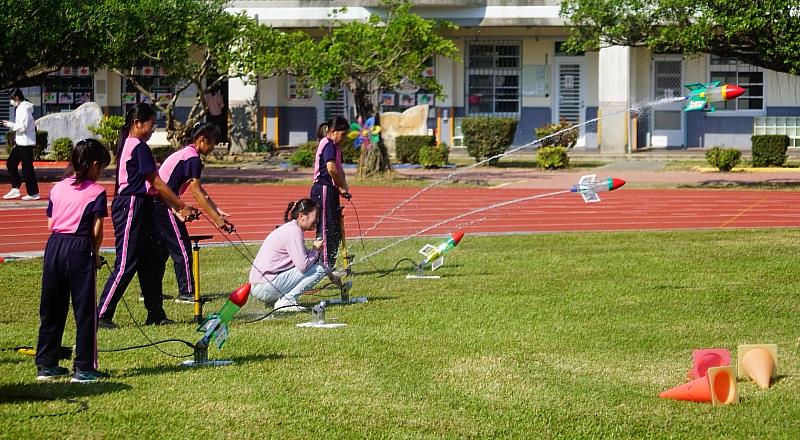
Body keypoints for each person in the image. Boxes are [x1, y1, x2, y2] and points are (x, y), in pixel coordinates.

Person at [97, 103, 196, 329]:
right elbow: (157, 183)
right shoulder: (137, 146)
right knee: (126, 261)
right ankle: (101, 313)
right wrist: (180, 205)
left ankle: (155, 313)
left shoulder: (133, 145)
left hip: (144, 204)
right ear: (137, 124)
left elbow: (154, 187)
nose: (153, 129)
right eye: (152, 124)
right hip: (132, 204)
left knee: (150, 262)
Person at [35, 139, 111, 383]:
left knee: (52, 308)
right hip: (80, 247)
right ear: (94, 165)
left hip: (55, 245)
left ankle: (46, 364)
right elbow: (97, 229)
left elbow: (50, 222)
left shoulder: (57, 188)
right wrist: (96, 254)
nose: (101, 174)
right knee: (85, 311)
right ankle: (83, 367)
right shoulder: (97, 192)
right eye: (102, 169)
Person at [152, 123, 233, 303]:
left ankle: (151, 291)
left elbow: (200, 191)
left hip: (162, 203)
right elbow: (196, 192)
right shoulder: (192, 158)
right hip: (164, 204)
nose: (212, 148)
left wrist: (216, 210)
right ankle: (187, 292)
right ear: (203, 139)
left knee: (162, 251)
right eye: (212, 143)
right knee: (182, 248)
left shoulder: (187, 154)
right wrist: (216, 219)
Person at [249, 199, 331, 312]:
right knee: (320, 269)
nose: (317, 220)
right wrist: (316, 251)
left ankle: (281, 299)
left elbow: (302, 259)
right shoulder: (294, 231)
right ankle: (287, 301)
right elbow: (303, 265)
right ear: (302, 216)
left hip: (261, 285)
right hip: (265, 287)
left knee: (320, 267)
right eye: (315, 216)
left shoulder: (291, 228)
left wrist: (330, 272)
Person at [309, 116, 351, 271]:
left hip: (330, 190)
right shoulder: (328, 145)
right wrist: (341, 186)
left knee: (333, 229)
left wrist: (343, 188)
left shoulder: (335, 146)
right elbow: (331, 169)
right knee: (326, 228)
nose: (345, 138)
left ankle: (328, 263)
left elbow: (339, 170)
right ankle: (324, 266)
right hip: (323, 190)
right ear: (333, 131)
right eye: (343, 134)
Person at [2, 88, 40, 201]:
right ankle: (15, 188)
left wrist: (9, 124)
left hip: (26, 144)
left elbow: (22, 127)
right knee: (11, 163)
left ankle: (33, 193)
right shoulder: (21, 107)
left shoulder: (23, 109)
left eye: (12, 98)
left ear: (17, 97)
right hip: (21, 143)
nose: (11, 101)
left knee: (27, 168)